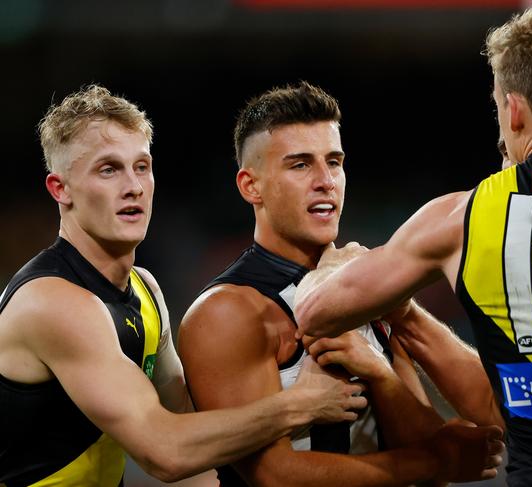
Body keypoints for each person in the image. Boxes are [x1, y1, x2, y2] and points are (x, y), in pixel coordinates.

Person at [294, 1, 532, 485]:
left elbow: (314, 311)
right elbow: (493, 401)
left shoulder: (463, 218)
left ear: (514, 109)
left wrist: (343, 262)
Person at [0, 85, 371, 486]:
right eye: (109, 169)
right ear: (61, 189)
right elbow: (167, 453)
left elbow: (195, 435)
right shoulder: (52, 302)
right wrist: (301, 404)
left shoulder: (144, 290)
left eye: (141, 166)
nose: (134, 187)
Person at [178, 81, 504, 487]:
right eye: (300, 165)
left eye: (333, 162)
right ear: (251, 186)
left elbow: (429, 457)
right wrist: (436, 461)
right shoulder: (227, 312)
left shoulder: (368, 290)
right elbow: (274, 477)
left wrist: (381, 376)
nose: (325, 180)